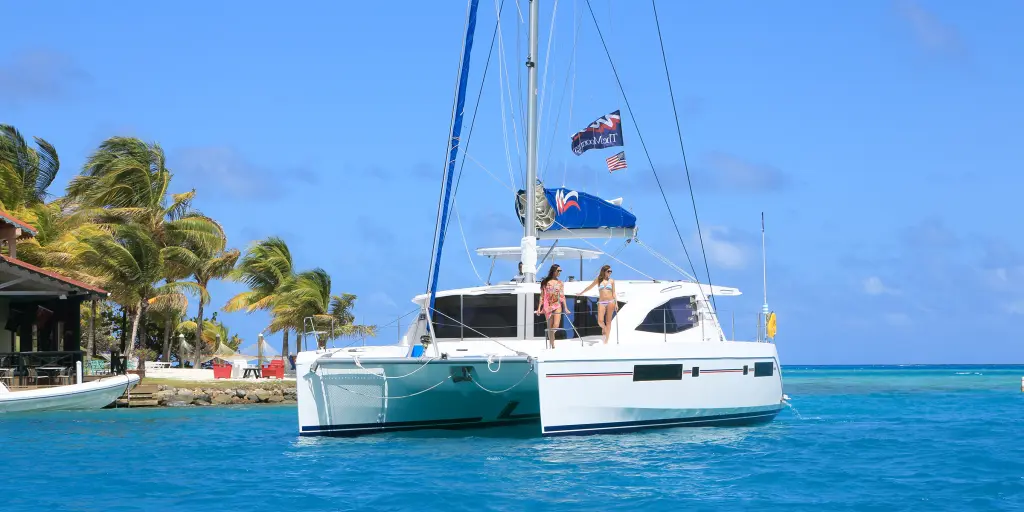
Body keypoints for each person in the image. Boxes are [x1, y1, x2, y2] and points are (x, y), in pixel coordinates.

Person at [580, 264, 617, 344]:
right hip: (601, 302)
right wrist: (581, 292)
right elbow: (590, 287)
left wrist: (616, 303)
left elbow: (613, 293)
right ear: (604, 271)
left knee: (608, 321)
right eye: (608, 271)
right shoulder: (599, 279)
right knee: (600, 321)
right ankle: (604, 329)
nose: (610, 272)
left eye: (611, 271)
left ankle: (606, 340)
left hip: (611, 302)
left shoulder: (612, 281)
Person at [535, 264, 568, 348]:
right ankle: (552, 345)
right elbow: (542, 296)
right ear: (553, 271)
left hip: (557, 304)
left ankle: (551, 335)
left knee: (556, 325)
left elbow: (562, 296)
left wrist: (566, 308)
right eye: (558, 270)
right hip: (548, 306)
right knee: (549, 326)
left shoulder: (560, 283)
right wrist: (539, 308)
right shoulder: (546, 282)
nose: (560, 272)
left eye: (560, 271)